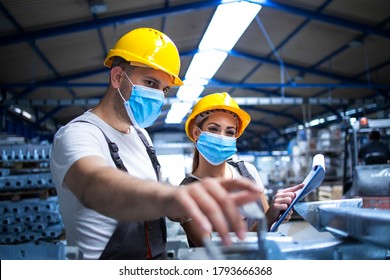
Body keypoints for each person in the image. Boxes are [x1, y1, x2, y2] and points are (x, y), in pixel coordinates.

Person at [50, 28, 262, 260]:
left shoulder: (142, 137)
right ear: (118, 77)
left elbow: (152, 211)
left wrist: (181, 211)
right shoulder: (79, 134)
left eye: (164, 89)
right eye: (150, 82)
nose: (158, 96)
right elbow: (95, 185)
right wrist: (171, 198)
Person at [179, 92, 304, 247]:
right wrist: (268, 218)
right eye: (213, 129)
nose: (222, 137)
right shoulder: (187, 193)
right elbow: (215, 252)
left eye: (230, 132)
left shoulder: (248, 172)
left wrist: (277, 213)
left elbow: (268, 227)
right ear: (197, 133)